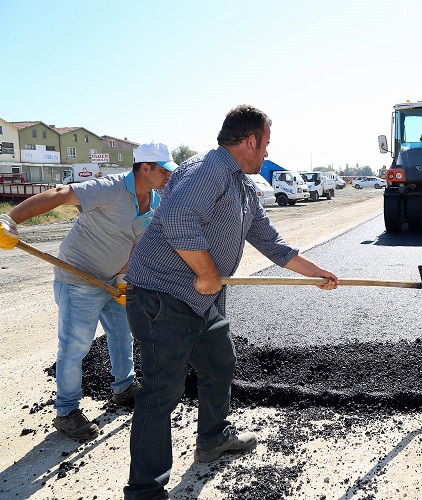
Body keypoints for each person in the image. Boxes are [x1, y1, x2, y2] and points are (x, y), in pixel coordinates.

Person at [122, 105, 339, 499]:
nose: (268, 154)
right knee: (160, 392)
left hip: (199, 301)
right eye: (266, 145)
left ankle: (212, 439)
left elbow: (270, 241)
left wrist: (316, 272)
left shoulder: (240, 184)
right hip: (161, 296)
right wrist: (206, 274)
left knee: (220, 361)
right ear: (250, 141)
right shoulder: (209, 169)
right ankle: (145, 492)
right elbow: (177, 220)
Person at [0, 142, 176, 441]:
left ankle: (124, 388)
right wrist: (9, 219)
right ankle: (67, 412)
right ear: (145, 167)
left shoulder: (155, 201)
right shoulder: (109, 187)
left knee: (122, 333)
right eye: (164, 170)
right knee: (75, 346)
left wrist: (123, 277)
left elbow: (135, 242)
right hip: (78, 278)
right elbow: (59, 194)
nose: (168, 176)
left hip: (110, 280)